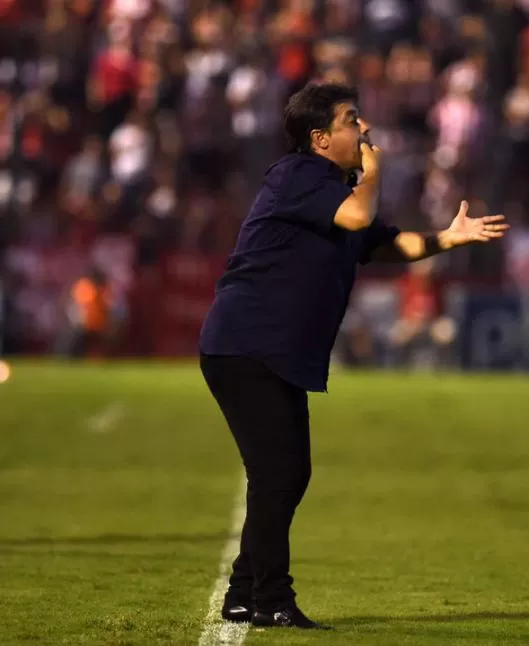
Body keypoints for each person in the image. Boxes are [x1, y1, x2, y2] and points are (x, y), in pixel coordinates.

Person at [197, 83, 508, 630]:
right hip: (248, 342)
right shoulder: (298, 176)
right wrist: (374, 173)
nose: (363, 130)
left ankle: (246, 594)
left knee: (286, 474)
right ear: (319, 139)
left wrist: (447, 238)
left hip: (270, 348)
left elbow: (383, 242)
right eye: (351, 120)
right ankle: (270, 598)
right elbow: (361, 220)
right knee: (279, 473)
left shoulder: (330, 189)